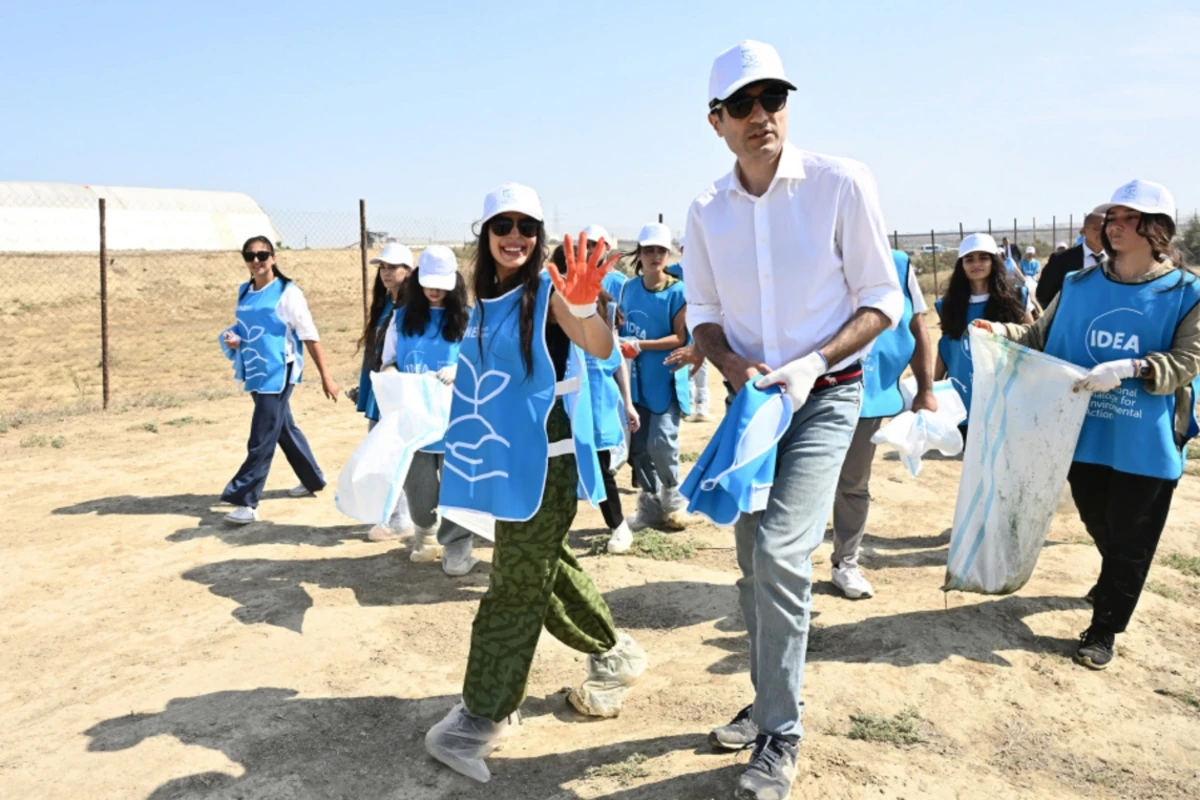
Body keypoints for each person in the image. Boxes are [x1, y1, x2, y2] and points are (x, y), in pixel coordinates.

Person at [684, 40, 903, 800]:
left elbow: (884, 298)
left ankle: (780, 733)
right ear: (716, 121)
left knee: (780, 548)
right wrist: (731, 365)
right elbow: (704, 315)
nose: (761, 116)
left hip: (827, 394)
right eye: (742, 105)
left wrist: (812, 364)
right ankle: (767, 697)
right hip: (753, 406)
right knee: (751, 560)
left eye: (772, 97)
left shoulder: (842, 184)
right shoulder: (705, 210)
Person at [425, 185, 647, 783]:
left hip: (544, 463)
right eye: (504, 224)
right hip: (502, 461)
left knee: (515, 587)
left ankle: (483, 716)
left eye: (527, 225)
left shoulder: (550, 289)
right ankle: (613, 652)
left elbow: (597, 345)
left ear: (539, 234)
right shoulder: (488, 295)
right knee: (540, 568)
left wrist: (582, 308)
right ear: (486, 233)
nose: (515, 235)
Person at [975, 179, 1200, 670]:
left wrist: (1132, 368)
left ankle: (1104, 628)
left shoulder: (1187, 293)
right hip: (1081, 432)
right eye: (1110, 217)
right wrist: (1000, 332)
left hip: (1145, 438)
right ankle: (1114, 571)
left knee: (1132, 537)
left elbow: (1188, 360)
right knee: (1099, 521)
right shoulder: (1079, 285)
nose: (1111, 225)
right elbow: (1038, 335)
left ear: (1154, 228)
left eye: (1125, 218)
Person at [831, 249, 937, 600]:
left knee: (852, 483)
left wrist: (925, 389)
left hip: (870, 393)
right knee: (799, 480)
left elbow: (916, 325)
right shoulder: (809, 251)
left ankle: (845, 562)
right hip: (815, 390)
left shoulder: (899, 264)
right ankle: (789, 562)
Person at [218, 237, 339, 525]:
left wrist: (326, 377)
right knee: (282, 427)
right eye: (250, 256)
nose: (256, 261)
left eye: (262, 255)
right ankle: (313, 479)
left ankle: (246, 500)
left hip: (279, 372)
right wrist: (235, 339)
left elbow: (309, 334)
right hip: (255, 370)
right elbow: (249, 327)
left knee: (262, 434)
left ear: (273, 257)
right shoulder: (244, 291)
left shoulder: (288, 293)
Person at [378, 245, 475, 573]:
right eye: (428, 282)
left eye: (441, 284)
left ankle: (458, 545)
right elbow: (388, 361)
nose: (434, 290)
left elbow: (483, 364)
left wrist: (461, 371)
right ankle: (425, 534)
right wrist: (397, 379)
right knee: (419, 487)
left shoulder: (468, 318)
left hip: (456, 419)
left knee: (456, 484)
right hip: (415, 419)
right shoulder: (401, 317)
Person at [549, 244, 640, 554]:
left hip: (598, 399)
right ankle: (553, 532)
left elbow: (616, 361)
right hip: (564, 400)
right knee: (560, 468)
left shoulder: (604, 309)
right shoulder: (549, 307)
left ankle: (618, 526)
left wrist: (627, 402)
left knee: (600, 466)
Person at [618, 222, 694, 532]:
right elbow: (620, 327)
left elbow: (680, 338)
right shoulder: (629, 288)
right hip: (634, 382)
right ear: (639, 254)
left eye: (660, 250)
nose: (654, 256)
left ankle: (673, 496)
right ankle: (649, 506)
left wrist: (640, 344)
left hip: (663, 379)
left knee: (662, 441)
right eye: (648, 250)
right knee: (638, 447)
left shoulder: (678, 292)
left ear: (668, 254)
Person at [935, 234, 1034, 437]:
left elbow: (1033, 340)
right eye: (969, 259)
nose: (976, 264)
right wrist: (933, 388)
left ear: (994, 261)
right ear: (961, 264)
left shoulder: (1017, 298)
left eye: (983, 257)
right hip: (964, 401)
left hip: (1008, 398)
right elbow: (946, 349)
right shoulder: (948, 305)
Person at [354, 242, 415, 541]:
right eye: (383, 267)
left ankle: (401, 519)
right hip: (382, 390)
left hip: (398, 392)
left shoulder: (412, 309)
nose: (386, 272)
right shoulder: (386, 305)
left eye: (393, 267)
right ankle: (397, 515)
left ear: (409, 271)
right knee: (384, 452)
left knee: (391, 455)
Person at [666, 234, 714, 422]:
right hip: (677, 325)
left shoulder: (705, 271)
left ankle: (701, 406)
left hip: (699, 324)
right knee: (681, 363)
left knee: (701, 364)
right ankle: (687, 405)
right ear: (681, 250)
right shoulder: (670, 271)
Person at [1036, 210, 1107, 309]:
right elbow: (1044, 295)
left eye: (1106, 228)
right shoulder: (1061, 260)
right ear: (1083, 232)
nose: (1102, 233)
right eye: (1097, 229)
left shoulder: (1119, 259)